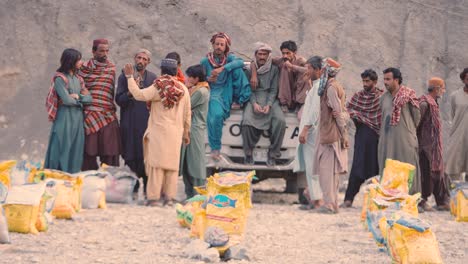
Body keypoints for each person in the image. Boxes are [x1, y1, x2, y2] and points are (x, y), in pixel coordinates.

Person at [124, 58, 191, 207]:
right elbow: (187, 114)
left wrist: (129, 78)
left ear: (162, 71)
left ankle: (153, 198)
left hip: (158, 131)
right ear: (176, 71)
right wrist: (186, 133)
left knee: (156, 165)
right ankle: (169, 198)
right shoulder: (183, 89)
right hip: (175, 132)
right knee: (172, 166)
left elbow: (139, 95)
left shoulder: (158, 87)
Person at [200, 32, 251, 161]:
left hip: (229, 88)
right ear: (212, 45)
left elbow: (240, 62)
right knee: (215, 116)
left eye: (222, 44)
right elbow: (200, 80)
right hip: (215, 92)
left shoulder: (229, 58)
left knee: (237, 69)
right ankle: (215, 147)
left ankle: (240, 99)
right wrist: (209, 79)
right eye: (217, 44)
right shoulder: (205, 61)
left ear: (226, 46)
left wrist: (223, 69)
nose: (219, 47)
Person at [116, 49, 157, 195]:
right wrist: (130, 92)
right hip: (129, 123)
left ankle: (147, 189)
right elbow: (119, 100)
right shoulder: (124, 76)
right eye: (139, 58)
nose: (141, 61)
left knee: (146, 156)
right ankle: (132, 188)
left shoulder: (152, 78)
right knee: (130, 155)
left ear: (148, 62)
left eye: (144, 59)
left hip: (146, 124)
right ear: (134, 58)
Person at [44, 48, 92, 173]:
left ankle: (72, 178)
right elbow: (66, 100)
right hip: (64, 117)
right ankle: (56, 177)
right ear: (71, 61)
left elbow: (89, 99)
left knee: (76, 147)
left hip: (77, 119)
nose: (82, 62)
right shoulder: (60, 78)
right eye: (79, 60)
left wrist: (78, 97)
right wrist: (80, 99)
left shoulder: (79, 79)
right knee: (61, 146)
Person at [341, 69, 383, 208]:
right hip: (361, 137)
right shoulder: (358, 96)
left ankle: (375, 202)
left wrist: (361, 117)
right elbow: (348, 110)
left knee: (375, 169)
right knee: (357, 167)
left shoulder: (381, 97)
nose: (365, 84)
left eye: (368, 81)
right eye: (363, 81)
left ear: (375, 82)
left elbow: (385, 116)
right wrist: (358, 117)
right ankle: (348, 199)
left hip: (376, 138)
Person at [312, 57, 349, 214]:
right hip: (328, 133)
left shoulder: (332, 88)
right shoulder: (329, 86)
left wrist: (344, 135)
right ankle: (333, 204)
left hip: (331, 135)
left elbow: (338, 113)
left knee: (328, 173)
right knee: (330, 173)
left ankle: (329, 205)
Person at [79, 39, 121, 170]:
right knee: (88, 152)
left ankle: (108, 182)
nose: (105, 53)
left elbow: (110, 91)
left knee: (110, 152)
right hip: (89, 115)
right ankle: (90, 179)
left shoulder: (111, 68)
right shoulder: (83, 68)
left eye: (107, 51)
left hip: (108, 114)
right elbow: (78, 88)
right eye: (102, 51)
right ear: (93, 51)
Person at [378, 67, 421, 194]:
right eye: (384, 79)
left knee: (408, 166)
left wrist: (408, 131)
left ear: (396, 80)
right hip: (387, 140)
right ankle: (389, 198)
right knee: (388, 167)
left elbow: (416, 117)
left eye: (388, 79)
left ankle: (412, 198)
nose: (385, 82)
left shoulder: (408, 95)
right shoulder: (383, 98)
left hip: (405, 140)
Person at [241, 42, 285, 166]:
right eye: (259, 54)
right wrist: (254, 104)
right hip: (253, 97)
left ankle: (273, 153)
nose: (262, 57)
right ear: (255, 55)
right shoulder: (249, 70)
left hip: (270, 99)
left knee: (280, 120)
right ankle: (248, 153)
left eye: (264, 54)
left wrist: (269, 104)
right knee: (246, 121)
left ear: (268, 56)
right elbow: (248, 90)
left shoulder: (274, 69)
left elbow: (273, 90)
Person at [417, 77, 450, 211]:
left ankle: (441, 201)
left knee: (439, 173)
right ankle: (422, 201)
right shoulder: (424, 103)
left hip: (435, 147)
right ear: (436, 89)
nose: (443, 91)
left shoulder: (434, 103)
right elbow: (416, 124)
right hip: (425, 146)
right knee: (426, 174)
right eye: (442, 88)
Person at [250, 40, 310, 113]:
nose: (285, 56)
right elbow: (258, 60)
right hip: (287, 92)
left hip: (298, 91)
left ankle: (299, 103)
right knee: (284, 68)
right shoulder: (281, 60)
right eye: (283, 53)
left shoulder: (301, 60)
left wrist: (292, 66)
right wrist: (254, 74)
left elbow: (309, 70)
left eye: (288, 53)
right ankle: (284, 103)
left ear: (294, 53)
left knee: (305, 74)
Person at [293, 57, 321, 209]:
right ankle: (314, 200)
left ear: (318, 70)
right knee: (310, 166)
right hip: (310, 133)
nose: (307, 71)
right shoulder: (315, 86)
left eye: (309, 68)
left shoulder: (318, 88)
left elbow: (314, 112)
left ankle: (318, 201)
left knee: (313, 167)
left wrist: (305, 129)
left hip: (312, 133)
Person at [180, 64, 210, 198]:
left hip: (195, 129)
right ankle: (189, 195)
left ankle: (198, 195)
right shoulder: (196, 89)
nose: (188, 79)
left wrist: (185, 88)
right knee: (187, 163)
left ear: (197, 78)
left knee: (195, 163)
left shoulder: (201, 91)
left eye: (190, 77)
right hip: (189, 129)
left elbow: (185, 105)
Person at [445, 68, 468, 182]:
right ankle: (455, 196)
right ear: (463, 79)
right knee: (454, 166)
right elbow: (453, 114)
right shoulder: (455, 95)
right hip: (458, 134)